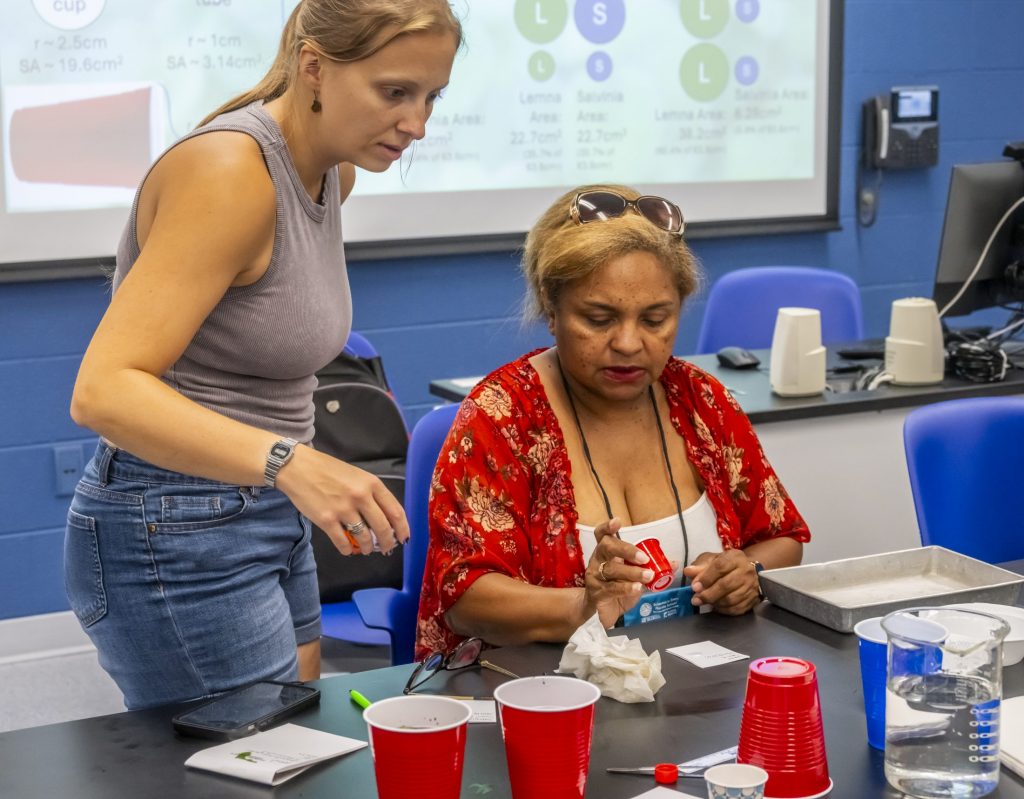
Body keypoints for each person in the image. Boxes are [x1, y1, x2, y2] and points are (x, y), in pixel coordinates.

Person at [65, 1, 461, 709]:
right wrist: (292, 460)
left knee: (294, 746)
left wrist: (285, 472)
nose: (418, 124)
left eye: (432, 96)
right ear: (315, 66)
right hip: (174, 522)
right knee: (250, 766)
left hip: (262, 510)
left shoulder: (333, 174)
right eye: (394, 92)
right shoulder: (230, 173)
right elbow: (103, 389)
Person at [416, 185, 809, 659]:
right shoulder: (501, 417)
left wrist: (744, 572)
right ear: (550, 306)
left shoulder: (701, 399)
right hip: (546, 699)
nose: (628, 342)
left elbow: (781, 537)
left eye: (655, 319)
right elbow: (464, 599)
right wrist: (582, 605)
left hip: (697, 693)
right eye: (599, 318)